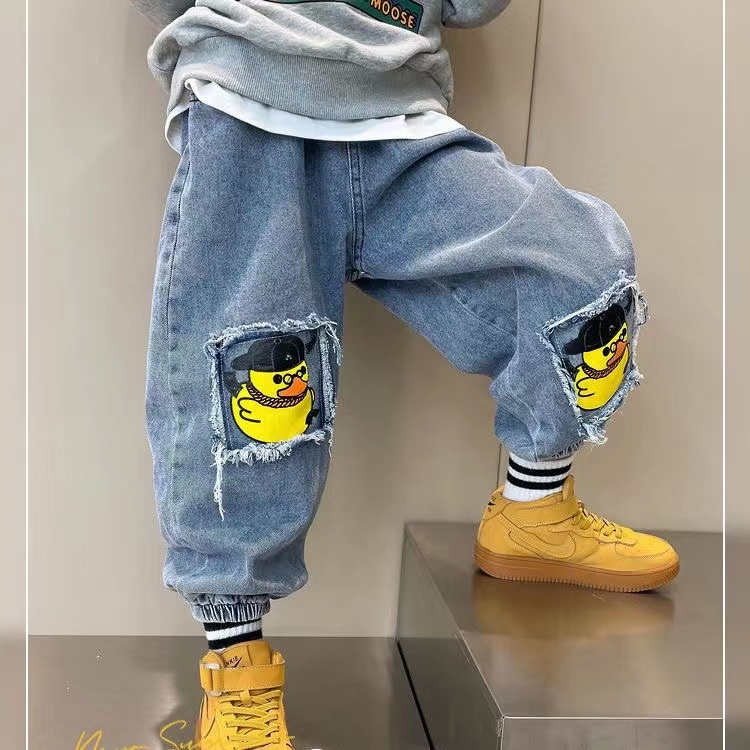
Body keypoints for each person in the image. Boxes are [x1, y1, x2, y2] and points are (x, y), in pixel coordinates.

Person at [132, 1, 680, 747]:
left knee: (575, 268)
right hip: (250, 104)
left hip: (403, 122)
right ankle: (237, 670)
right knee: (253, 377)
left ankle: (533, 512)